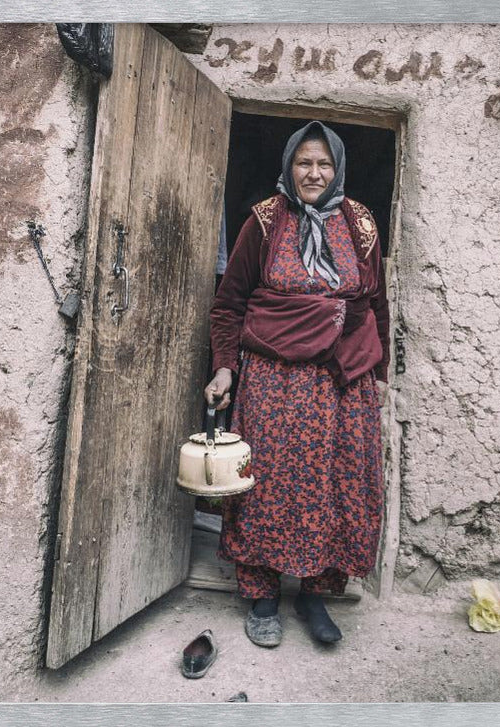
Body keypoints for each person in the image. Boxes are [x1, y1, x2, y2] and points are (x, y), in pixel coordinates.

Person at [205, 121, 389, 647]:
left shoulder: (360, 224)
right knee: (266, 482)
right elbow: (230, 302)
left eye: (323, 164)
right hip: (273, 379)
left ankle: (314, 592)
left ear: (338, 169)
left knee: (335, 484)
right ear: (289, 166)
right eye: (303, 163)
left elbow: (376, 304)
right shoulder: (265, 221)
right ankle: (263, 594)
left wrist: (378, 375)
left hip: (341, 381)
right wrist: (224, 367)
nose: (313, 173)